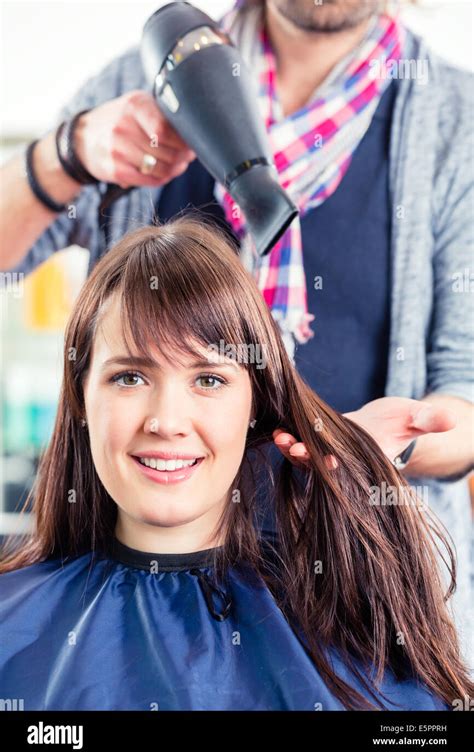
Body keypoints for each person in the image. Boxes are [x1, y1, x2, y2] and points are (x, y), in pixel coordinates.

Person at [0, 0, 472, 662]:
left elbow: (467, 386)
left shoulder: (453, 120)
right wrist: (66, 156)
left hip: (359, 606)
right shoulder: (140, 83)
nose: (170, 418)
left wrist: (387, 447)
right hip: (140, 589)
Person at [0, 217, 471, 711]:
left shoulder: (356, 640)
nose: (166, 421)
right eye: (130, 378)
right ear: (80, 396)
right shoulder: (13, 631)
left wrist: (362, 458)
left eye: (208, 379)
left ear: (255, 406)